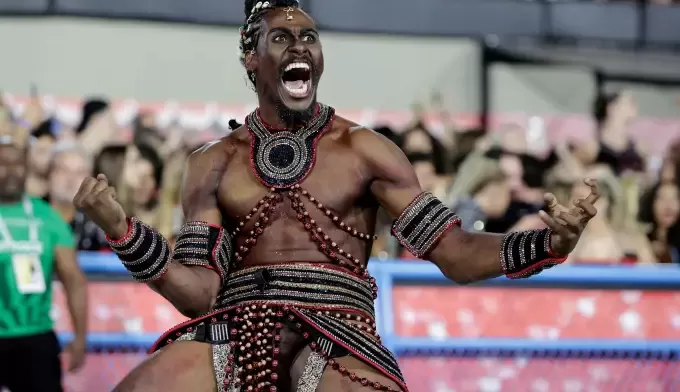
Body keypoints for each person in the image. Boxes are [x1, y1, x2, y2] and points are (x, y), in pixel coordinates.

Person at [73, 1, 600, 391]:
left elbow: (456, 254)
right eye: (280, 38)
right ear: (251, 61)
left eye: (309, 36)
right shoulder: (211, 162)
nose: (299, 45)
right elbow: (199, 295)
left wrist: (545, 245)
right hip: (233, 329)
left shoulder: (368, 151)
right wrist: (123, 230)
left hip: (338, 330)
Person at [0, 136, 88, 391]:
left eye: (17, 164)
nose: (11, 171)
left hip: (35, 337)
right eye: (3, 163)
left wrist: (80, 337)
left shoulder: (47, 217)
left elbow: (73, 279)